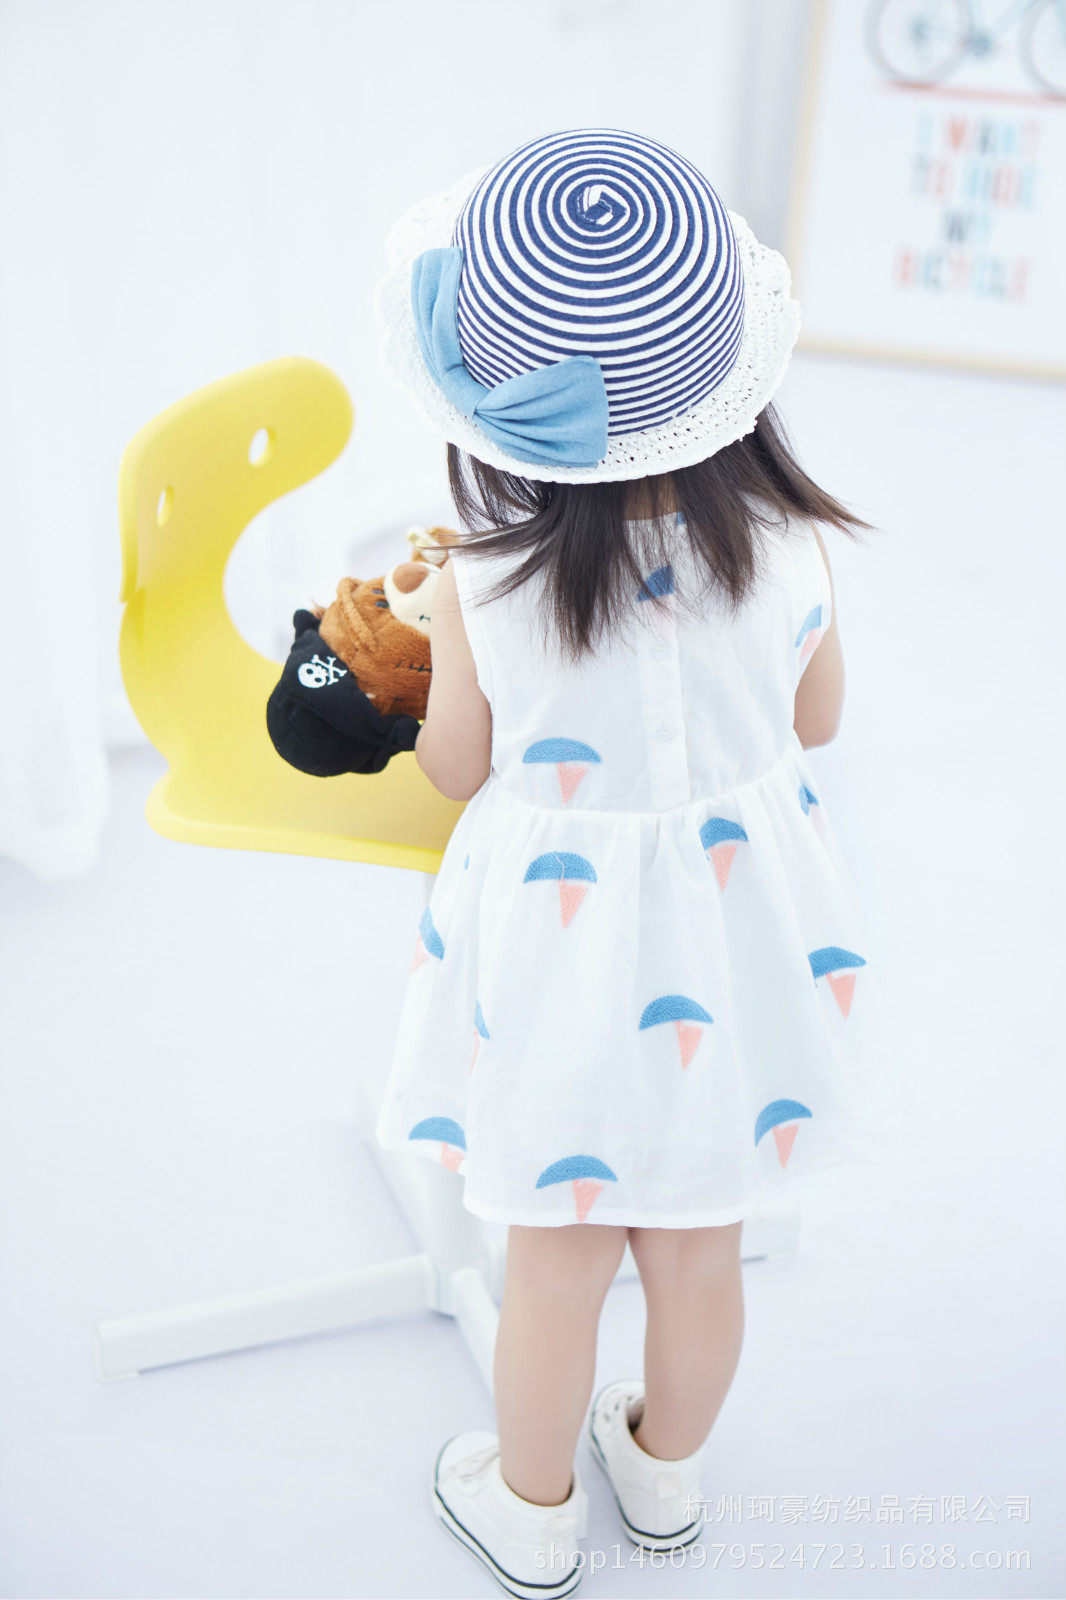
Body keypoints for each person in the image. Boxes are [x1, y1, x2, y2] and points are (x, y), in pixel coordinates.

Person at [372, 128, 908, 1597]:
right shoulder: (789, 548)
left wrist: (427, 657)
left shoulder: (485, 582)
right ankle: (663, 1475)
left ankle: (530, 1507)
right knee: (696, 1244)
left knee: (555, 1257)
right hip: (735, 944)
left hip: (560, 964)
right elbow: (816, 720)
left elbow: (458, 770)